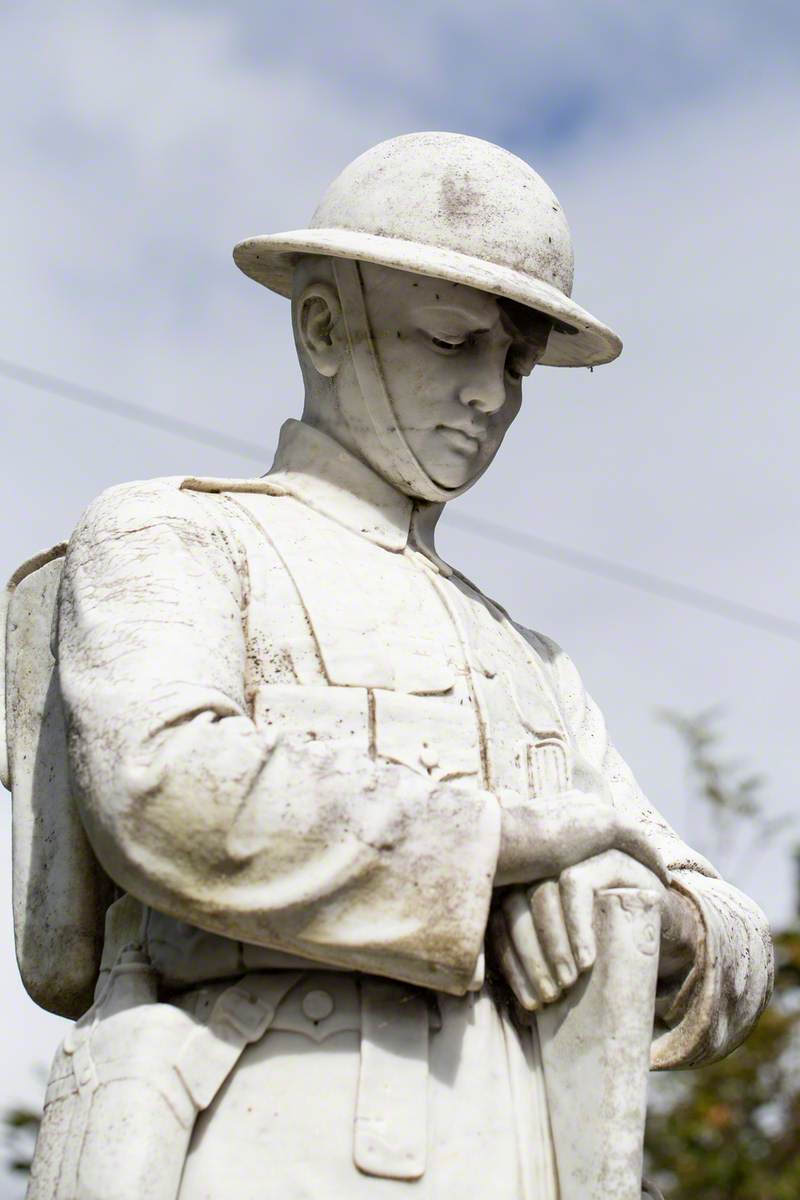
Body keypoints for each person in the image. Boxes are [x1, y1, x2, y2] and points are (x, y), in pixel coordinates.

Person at [23, 133, 772, 1200]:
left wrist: (629, 904)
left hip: (509, 1153)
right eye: (452, 341)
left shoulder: (530, 663)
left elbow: (727, 932)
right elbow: (164, 787)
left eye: (512, 361)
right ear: (324, 326)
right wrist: (501, 848)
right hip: (248, 1130)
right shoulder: (174, 535)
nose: (489, 394)